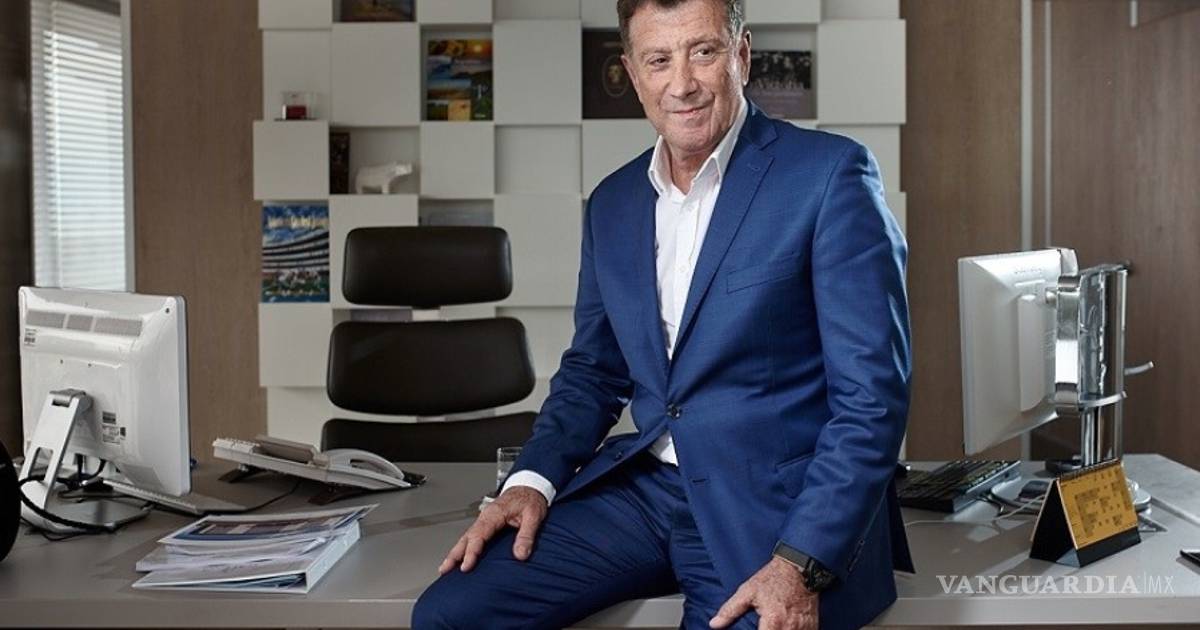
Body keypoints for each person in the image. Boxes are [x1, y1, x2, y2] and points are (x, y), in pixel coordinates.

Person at [413, 0, 913, 627]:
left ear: (741, 56)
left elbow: (872, 398)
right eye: (658, 60)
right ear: (632, 73)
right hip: (646, 491)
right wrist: (529, 481)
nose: (682, 84)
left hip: (775, 511)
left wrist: (800, 561)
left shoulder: (829, 175)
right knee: (449, 615)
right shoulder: (613, 203)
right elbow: (593, 372)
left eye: (703, 52)